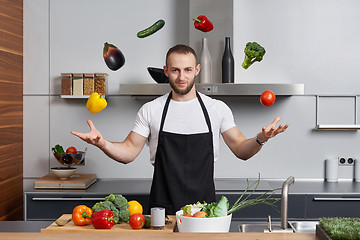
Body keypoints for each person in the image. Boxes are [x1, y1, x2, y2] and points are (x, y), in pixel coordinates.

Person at [71, 44, 288, 214]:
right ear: (166, 71)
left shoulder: (216, 109)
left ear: (197, 70)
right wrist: (102, 143)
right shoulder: (151, 110)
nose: (181, 77)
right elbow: (128, 152)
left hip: (204, 213)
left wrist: (260, 138)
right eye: (175, 70)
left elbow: (241, 149)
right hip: (162, 212)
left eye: (187, 70)